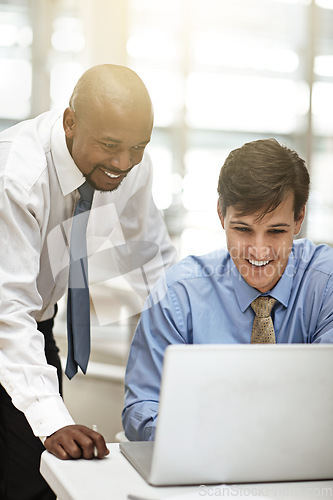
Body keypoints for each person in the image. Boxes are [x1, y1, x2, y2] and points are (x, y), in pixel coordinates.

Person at [0, 64, 176, 499]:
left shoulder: (133, 165)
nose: (123, 163)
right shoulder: (16, 177)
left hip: (35, 330)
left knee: (42, 479)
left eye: (138, 146)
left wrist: (192, 354)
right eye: (111, 145)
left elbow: (152, 259)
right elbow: (7, 309)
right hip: (10, 322)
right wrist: (52, 419)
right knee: (29, 482)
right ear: (70, 122)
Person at [122, 138, 333, 442]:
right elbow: (142, 407)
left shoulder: (325, 286)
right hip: (202, 472)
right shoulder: (178, 294)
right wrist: (201, 442)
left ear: (299, 219)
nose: (259, 251)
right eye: (243, 229)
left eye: (276, 231)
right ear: (221, 215)